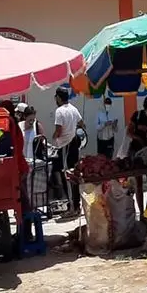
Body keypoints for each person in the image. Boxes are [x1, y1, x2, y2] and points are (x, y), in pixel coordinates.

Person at [52, 87, 86, 216]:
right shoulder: (74, 109)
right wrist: (74, 129)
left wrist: (54, 136)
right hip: (75, 146)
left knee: (67, 177)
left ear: (59, 98)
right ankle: (76, 206)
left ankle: (72, 208)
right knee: (74, 175)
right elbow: (82, 124)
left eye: (56, 97)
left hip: (65, 146)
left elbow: (58, 130)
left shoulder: (59, 111)